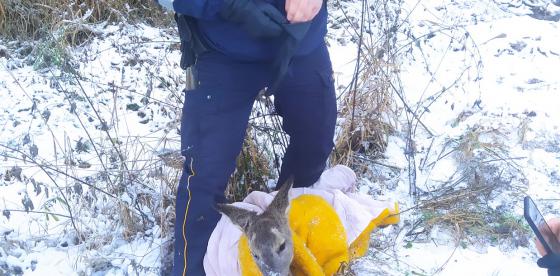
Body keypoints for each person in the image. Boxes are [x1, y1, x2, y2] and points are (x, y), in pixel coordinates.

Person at [154, 0, 336, 275]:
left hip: (299, 40)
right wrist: (229, 5)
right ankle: (192, 269)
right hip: (223, 50)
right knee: (204, 171)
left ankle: (291, 250)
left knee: (314, 141)